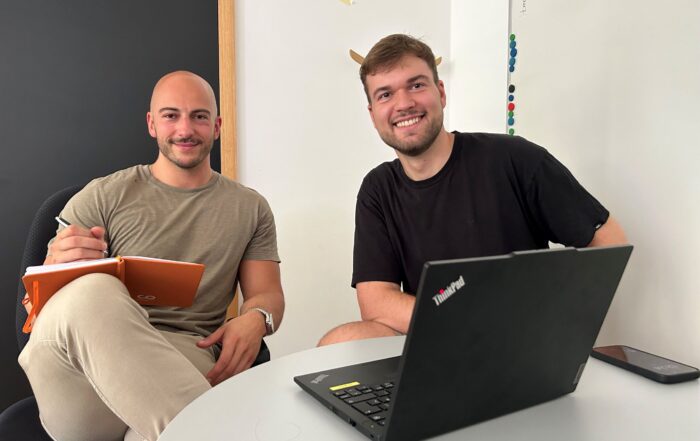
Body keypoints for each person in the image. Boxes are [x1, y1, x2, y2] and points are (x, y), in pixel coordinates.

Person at [18, 71, 285, 441]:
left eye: (200, 116)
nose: (185, 129)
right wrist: (52, 265)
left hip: (183, 355)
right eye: (171, 115)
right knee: (91, 289)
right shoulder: (101, 196)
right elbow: (43, 310)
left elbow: (268, 295)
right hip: (80, 374)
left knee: (155, 428)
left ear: (217, 126)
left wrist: (257, 317)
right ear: (152, 124)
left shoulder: (250, 208)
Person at [318, 34, 626, 345]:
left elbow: (608, 240)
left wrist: (558, 322)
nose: (404, 104)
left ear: (441, 92)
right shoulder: (378, 189)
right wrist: (472, 324)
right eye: (385, 94)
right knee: (339, 340)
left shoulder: (515, 159)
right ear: (372, 115)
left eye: (416, 85)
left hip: (521, 343)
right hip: (439, 338)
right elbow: (376, 304)